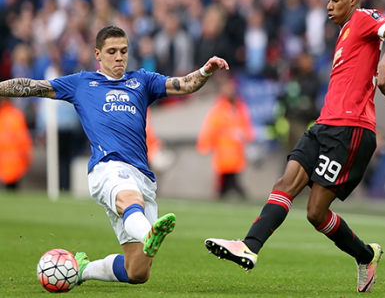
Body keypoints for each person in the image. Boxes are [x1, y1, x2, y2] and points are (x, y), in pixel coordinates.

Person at [204, 0, 385, 293]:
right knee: (285, 184)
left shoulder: (362, 19)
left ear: (352, 0)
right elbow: (382, 85)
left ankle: (366, 255)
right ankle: (248, 246)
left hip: (350, 131)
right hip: (323, 125)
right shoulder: (346, 35)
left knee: (316, 212)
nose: (329, 6)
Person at [0, 25, 229, 285]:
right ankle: (149, 232)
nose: (119, 56)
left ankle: (82, 270)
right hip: (107, 167)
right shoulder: (81, 83)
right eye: (112, 51)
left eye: (123, 51)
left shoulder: (142, 81)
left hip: (141, 173)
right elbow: (33, 86)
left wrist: (205, 71)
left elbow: (184, 85)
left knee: (137, 272)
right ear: (98, 54)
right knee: (130, 198)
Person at [196, 76, 255, 199]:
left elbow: (246, 126)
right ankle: (230, 195)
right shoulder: (219, 109)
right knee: (227, 178)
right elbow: (211, 128)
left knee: (230, 178)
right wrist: (205, 145)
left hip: (235, 150)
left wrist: (245, 136)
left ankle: (224, 195)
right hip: (223, 149)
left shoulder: (239, 107)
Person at [0, 96, 33, 190]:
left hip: (10, 156)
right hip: (12, 157)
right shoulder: (14, 114)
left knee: (11, 186)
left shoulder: (10, 115)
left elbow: (21, 137)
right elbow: (23, 138)